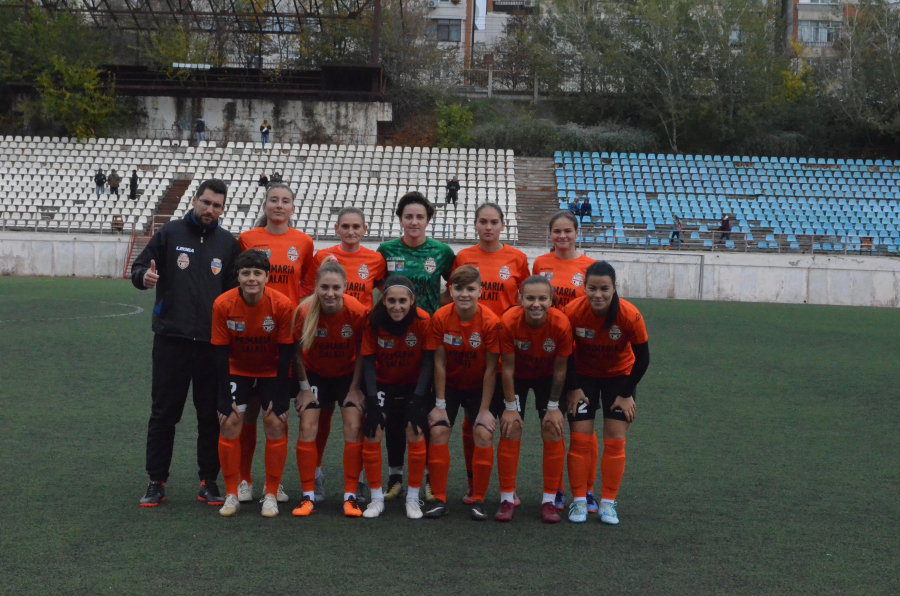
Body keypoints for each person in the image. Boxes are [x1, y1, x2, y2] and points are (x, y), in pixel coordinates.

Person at [131, 178, 241, 508]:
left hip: (212, 344)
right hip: (171, 340)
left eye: (217, 205)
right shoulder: (170, 233)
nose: (210, 209)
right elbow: (139, 267)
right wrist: (144, 278)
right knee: (164, 414)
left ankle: (209, 481)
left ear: (223, 209)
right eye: (206, 202)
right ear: (195, 200)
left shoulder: (227, 243)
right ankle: (156, 481)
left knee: (211, 415)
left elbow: (236, 290)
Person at [300, 207, 387, 501]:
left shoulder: (375, 260)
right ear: (336, 229)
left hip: (353, 348)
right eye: (345, 226)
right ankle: (315, 476)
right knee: (317, 421)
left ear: (365, 229)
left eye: (356, 227)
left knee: (355, 421)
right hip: (321, 348)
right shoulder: (321, 259)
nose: (351, 232)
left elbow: (385, 293)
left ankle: (358, 479)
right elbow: (305, 299)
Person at [236, 183, 315, 504]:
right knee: (250, 411)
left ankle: (275, 483)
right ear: (265, 205)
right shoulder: (248, 239)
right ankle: (243, 480)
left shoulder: (304, 242)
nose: (279, 205)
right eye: (274, 200)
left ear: (293, 208)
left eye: (285, 201)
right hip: (253, 336)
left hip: (289, 339)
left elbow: (307, 285)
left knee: (278, 411)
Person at [376, 191, 454, 499]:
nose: (414, 222)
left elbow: (456, 286)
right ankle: (395, 474)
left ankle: (425, 475)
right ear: (400, 219)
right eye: (408, 216)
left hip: (428, 341)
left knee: (420, 411)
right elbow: (374, 289)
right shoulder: (385, 251)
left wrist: (436, 313)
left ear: (428, 220)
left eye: (420, 216)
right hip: (392, 344)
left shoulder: (442, 252)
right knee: (393, 416)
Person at [450, 202, 529, 504]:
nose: (488, 227)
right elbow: (456, 293)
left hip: (506, 351)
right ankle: (474, 484)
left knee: (511, 421)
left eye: (494, 222)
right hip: (471, 353)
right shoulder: (464, 257)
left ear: (502, 226)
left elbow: (525, 301)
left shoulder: (517, 258)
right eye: (483, 221)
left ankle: (509, 488)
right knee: (473, 424)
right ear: (475, 225)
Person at [563, 261, 649, 525]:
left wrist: (625, 394)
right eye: (592, 288)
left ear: (614, 289)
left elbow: (643, 359)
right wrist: (574, 387)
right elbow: (564, 353)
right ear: (584, 288)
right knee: (579, 440)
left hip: (619, 378)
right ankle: (578, 501)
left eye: (604, 289)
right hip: (584, 378)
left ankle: (608, 503)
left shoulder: (629, 314)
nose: (597, 294)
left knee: (615, 442)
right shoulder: (572, 311)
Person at [211, 250, 294, 517]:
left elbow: (285, 353)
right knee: (231, 421)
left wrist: (282, 395)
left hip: (271, 370)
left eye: (257, 273)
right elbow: (220, 354)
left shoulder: (281, 304)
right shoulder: (223, 304)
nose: (251, 279)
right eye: (246, 273)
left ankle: (271, 492)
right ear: (238, 276)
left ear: (267, 276)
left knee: (275, 421)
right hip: (238, 369)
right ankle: (234, 491)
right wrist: (224, 395)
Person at [291, 261, 369, 518]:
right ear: (316, 287)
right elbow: (295, 352)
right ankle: (308, 495)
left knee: (353, 424)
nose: (330, 293)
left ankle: (350, 496)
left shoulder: (357, 311)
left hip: (347, 375)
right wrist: (304, 389)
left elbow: (362, 352)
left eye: (336, 287)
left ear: (345, 287)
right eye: (324, 287)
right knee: (308, 424)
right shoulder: (304, 311)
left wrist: (356, 388)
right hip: (315, 375)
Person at [494, 275, 572, 523]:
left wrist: (553, 407)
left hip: (547, 378)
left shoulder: (561, 324)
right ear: (520, 299)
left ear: (551, 300)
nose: (536, 304)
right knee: (511, 427)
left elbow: (561, 369)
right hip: (516, 376)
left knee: (552, 428)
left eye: (542, 298)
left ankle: (549, 501)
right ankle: (507, 498)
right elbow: (506, 368)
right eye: (530, 298)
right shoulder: (508, 321)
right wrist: (509, 407)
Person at [424, 266, 501, 520]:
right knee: (438, 429)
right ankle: (439, 498)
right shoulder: (441, 317)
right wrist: (439, 404)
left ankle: (478, 498)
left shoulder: (490, 322)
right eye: (459, 289)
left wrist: (484, 410)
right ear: (450, 290)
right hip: (451, 386)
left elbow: (492, 370)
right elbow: (439, 363)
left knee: (482, 431)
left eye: (470, 289)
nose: (465, 294)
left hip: (480, 385)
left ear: (481, 290)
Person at [359, 276, 436, 519]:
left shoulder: (423, 320)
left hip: (414, 384)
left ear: (412, 301)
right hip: (383, 383)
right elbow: (369, 363)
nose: (397, 306)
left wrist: (418, 399)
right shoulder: (373, 320)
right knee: (373, 430)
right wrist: (372, 401)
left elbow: (428, 362)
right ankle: (376, 499)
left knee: (415, 430)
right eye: (391, 300)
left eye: (403, 301)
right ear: (383, 300)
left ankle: (413, 499)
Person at [532, 211, 595, 311]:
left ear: (576, 233)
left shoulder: (591, 266)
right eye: (557, 231)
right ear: (550, 234)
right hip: (547, 325)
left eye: (567, 231)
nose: (562, 236)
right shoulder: (540, 263)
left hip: (577, 325)